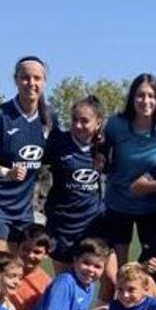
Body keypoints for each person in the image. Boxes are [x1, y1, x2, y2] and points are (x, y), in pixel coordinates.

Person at [99, 74, 156, 296]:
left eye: (151, 96)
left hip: (153, 209)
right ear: (132, 98)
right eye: (140, 95)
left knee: (150, 268)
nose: (145, 101)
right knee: (115, 272)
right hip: (118, 205)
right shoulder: (116, 125)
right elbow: (99, 151)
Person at [0, 56, 56, 256]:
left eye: (37, 78)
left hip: (23, 207)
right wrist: (5, 172)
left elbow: (56, 155)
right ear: (16, 79)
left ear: (44, 81)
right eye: (25, 77)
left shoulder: (50, 117)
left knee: (17, 269)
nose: (31, 83)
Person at [44, 95, 107, 270]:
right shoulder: (58, 142)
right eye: (74, 120)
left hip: (92, 225)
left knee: (105, 277)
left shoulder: (105, 147)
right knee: (65, 280)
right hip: (62, 227)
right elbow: (46, 111)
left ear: (98, 122)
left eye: (85, 121)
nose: (78, 125)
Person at [9, 224, 55, 310]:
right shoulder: (2, 271)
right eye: (25, 249)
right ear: (17, 247)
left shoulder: (47, 285)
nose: (30, 255)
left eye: (37, 252)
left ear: (46, 254)